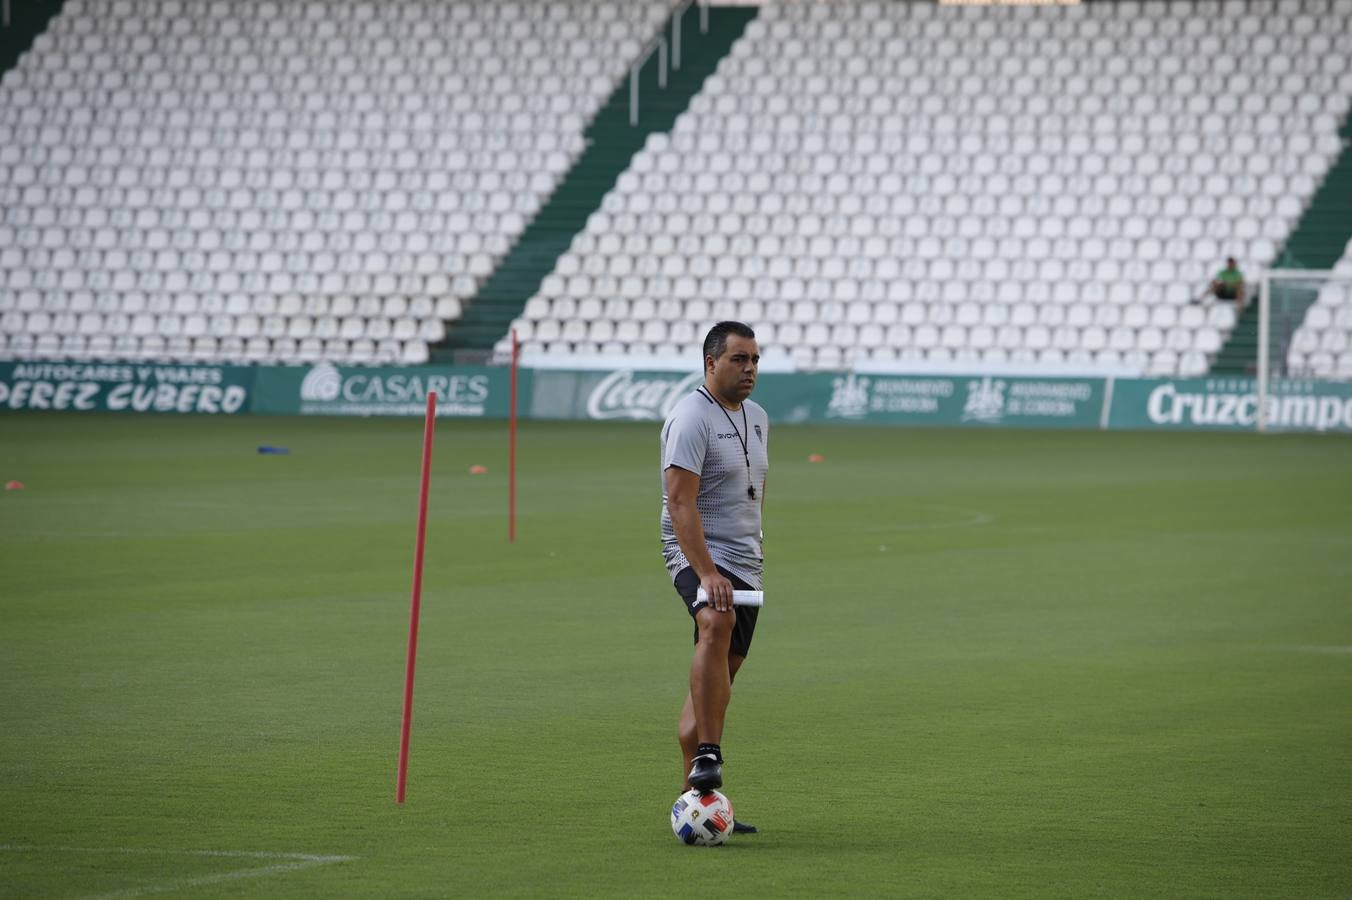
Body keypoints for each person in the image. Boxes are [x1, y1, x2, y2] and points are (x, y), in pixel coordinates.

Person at [660, 321, 768, 833]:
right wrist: (706, 572)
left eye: (754, 360)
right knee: (715, 620)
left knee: (719, 681)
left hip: (746, 559)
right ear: (711, 363)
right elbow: (680, 502)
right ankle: (708, 755)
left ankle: (695, 799)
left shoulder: (759, 417)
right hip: (697, 548)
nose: (749, 369)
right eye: (738, 359)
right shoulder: (689, 417)